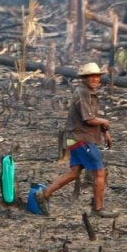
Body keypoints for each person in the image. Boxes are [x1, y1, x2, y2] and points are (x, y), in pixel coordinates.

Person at [36, 62, 118, 218]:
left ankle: (44, 194)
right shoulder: (83, 93)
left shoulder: (89, 92)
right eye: (90, 76)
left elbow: (93, 117)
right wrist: (105, 123)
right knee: (99, 173)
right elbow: (89, 119)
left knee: (74, 173)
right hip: (81, 139)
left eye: (96, 76)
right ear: (84, 78)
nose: (94, 79)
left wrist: (104, 131)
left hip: (76, 138)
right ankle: (98, 209)